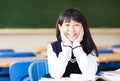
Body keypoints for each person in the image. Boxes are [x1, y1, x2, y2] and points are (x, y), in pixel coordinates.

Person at [47, 8, 98, 79]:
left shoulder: (89, 47)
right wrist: (67, 45)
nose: (71, 29)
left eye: (76, 25)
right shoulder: (52, 47)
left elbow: (89, 74)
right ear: (60, 27)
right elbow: (56, 75)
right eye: (67, 25)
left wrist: (77, 45)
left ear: (83, 27)